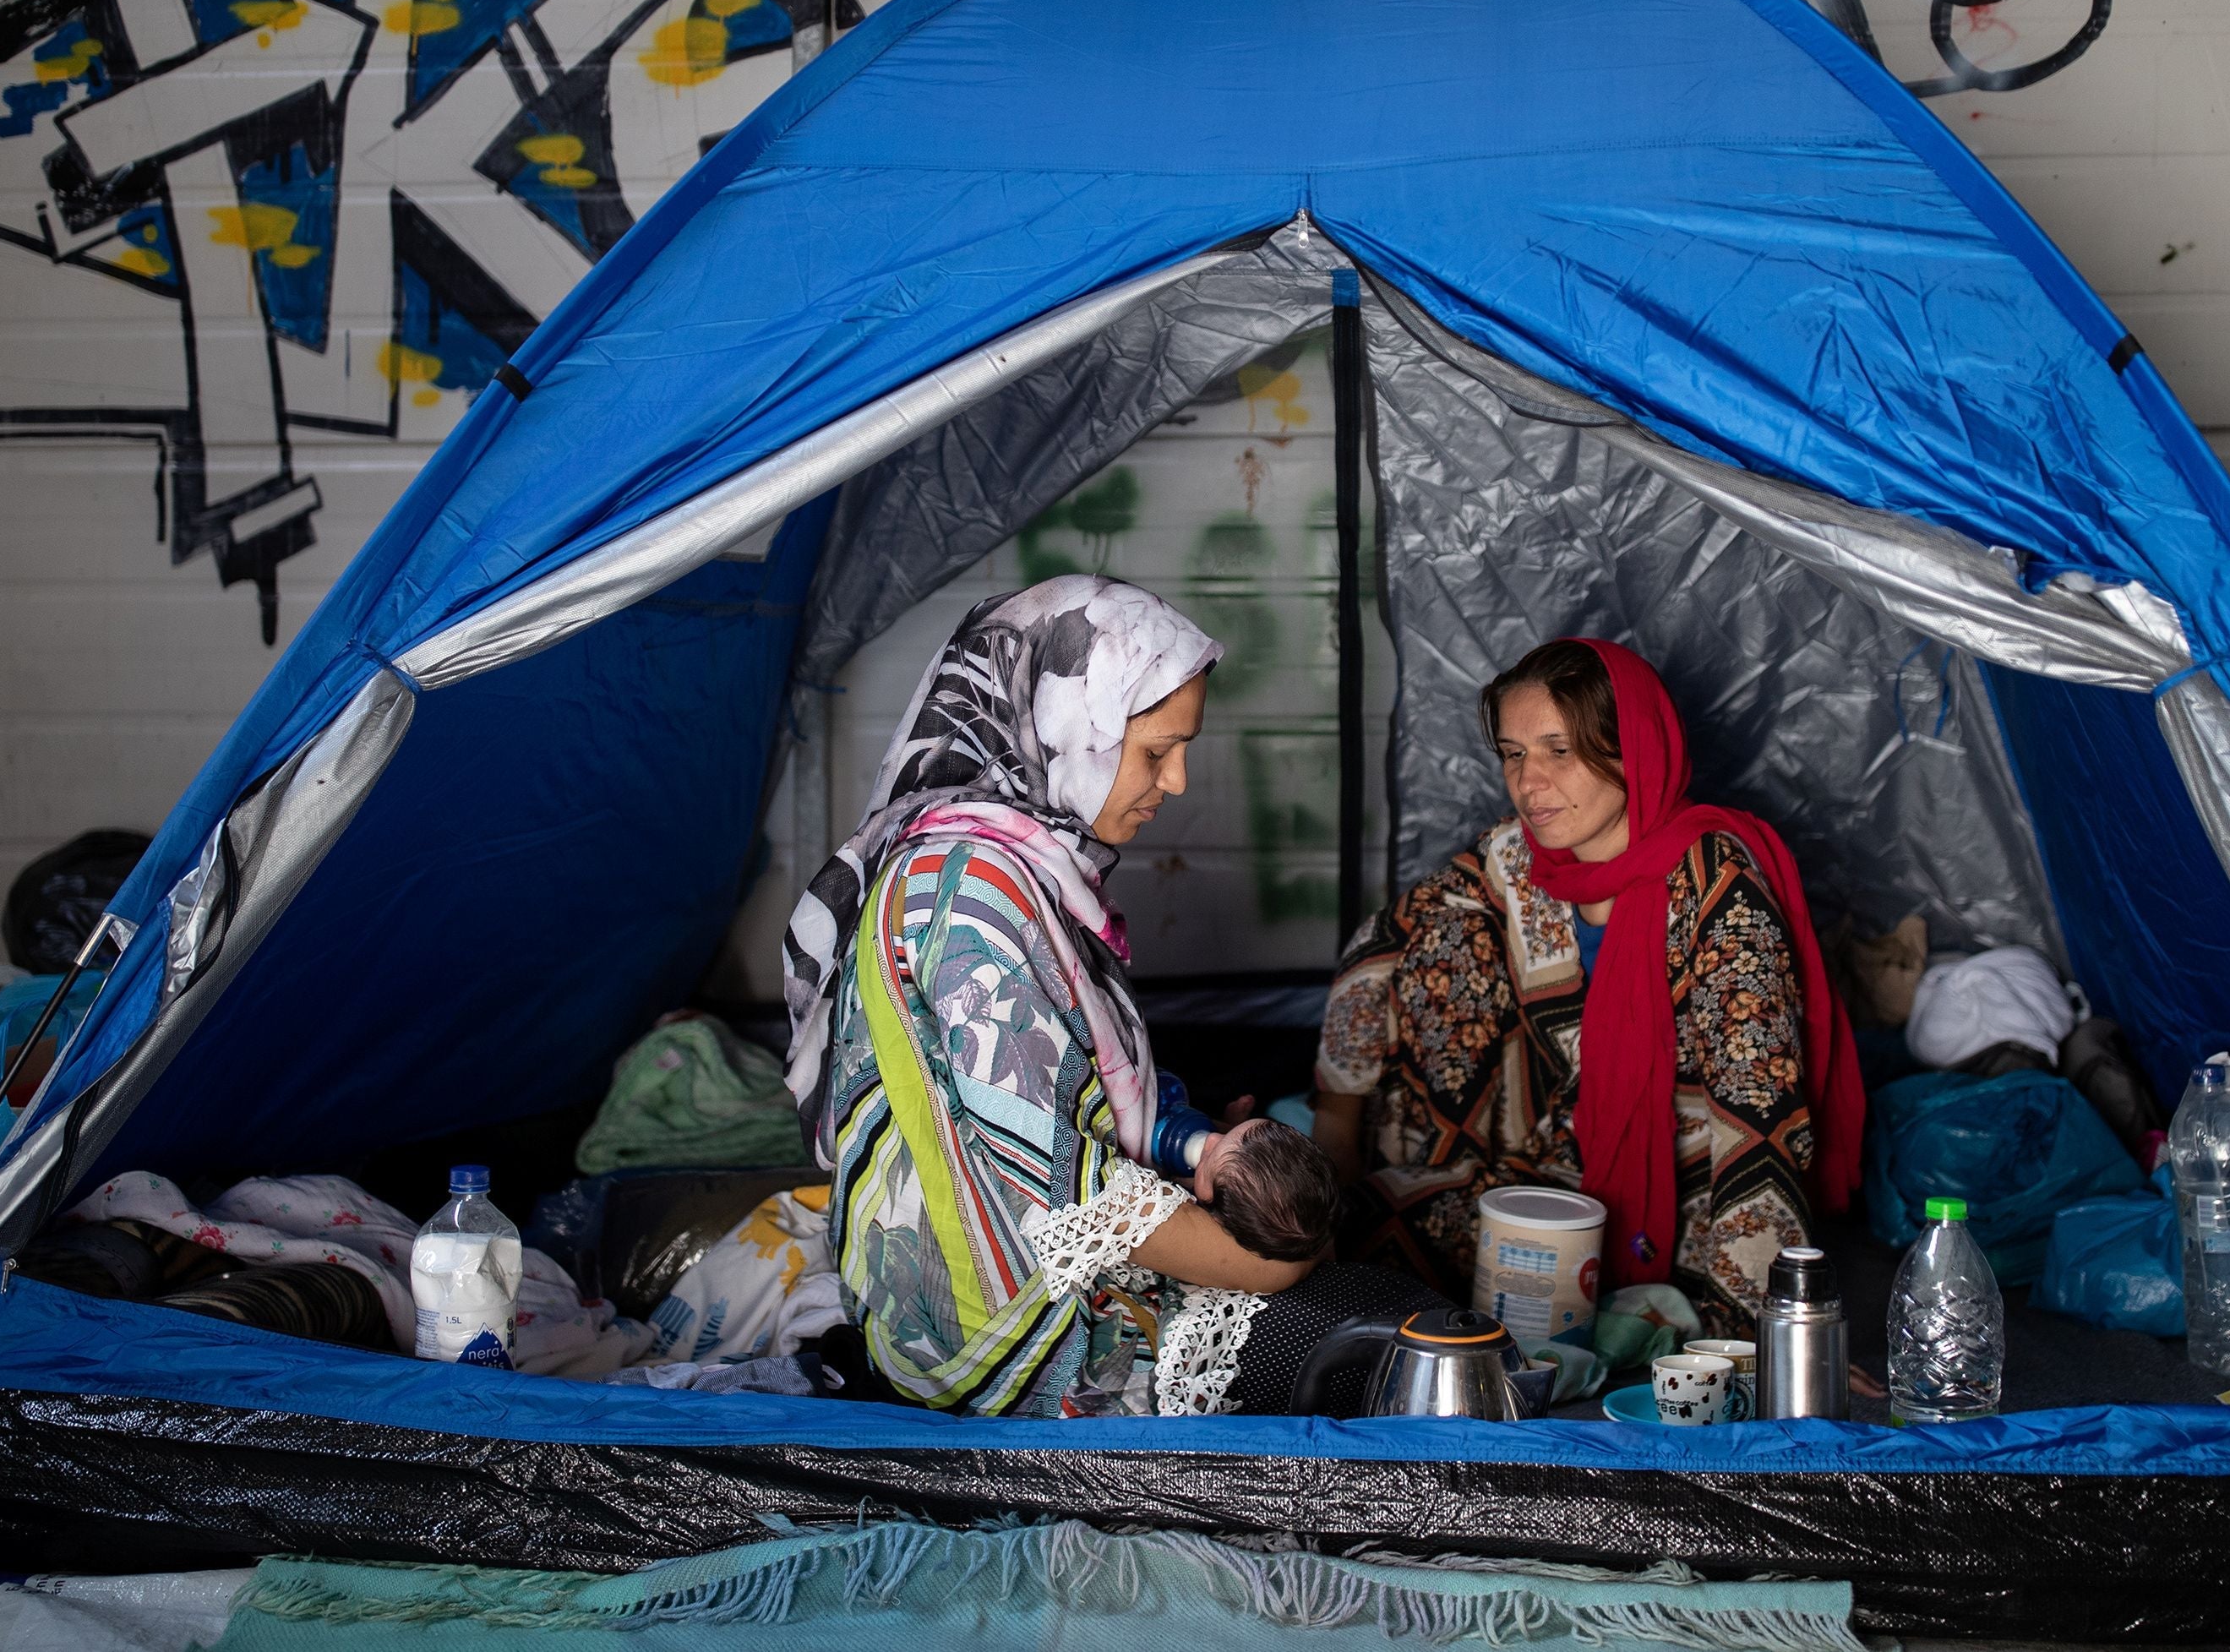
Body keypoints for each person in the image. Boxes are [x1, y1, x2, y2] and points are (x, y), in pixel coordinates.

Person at [783, 576, 1338, 1417]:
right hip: (984, 1335)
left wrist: (1192, 1146)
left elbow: (1065, 1094)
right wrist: (1268, 1265)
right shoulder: (965, 890)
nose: (1178, 780)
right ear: (1067, 728)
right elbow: (1064, 1190)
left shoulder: (1024, 866)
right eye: (1154, 751)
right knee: (1333, 1338)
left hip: (1006, 1271)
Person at [1312, 638, 1865, 1333]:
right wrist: (1333, 1131)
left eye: (1560, 750)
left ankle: (1673, 1309)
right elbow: (1382, 945)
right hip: (1562, 1169)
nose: (1529, 782)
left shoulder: (1715, 881)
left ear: (1631, 746)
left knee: (1698, 1326)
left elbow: (1760, 1110)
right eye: (1514, 753)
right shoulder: (1518, 859)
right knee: (1360, 1216)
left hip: (1693, 1199)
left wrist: (1768, 1332)